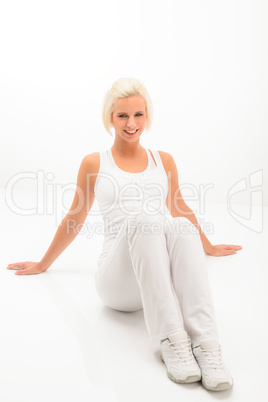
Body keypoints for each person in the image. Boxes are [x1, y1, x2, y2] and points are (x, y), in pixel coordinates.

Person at [7, 77, 242, 392]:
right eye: (122, 116)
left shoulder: (164, 160)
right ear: (110, 118)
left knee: (180, 225)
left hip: (155, 281)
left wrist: (208, 246)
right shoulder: (95, 162)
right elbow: (75, 216)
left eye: (138, 115)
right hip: (117, 283)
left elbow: (180, 207)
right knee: (143, 219)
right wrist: (42, 263)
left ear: (147, 116)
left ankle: (207, 346)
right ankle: (171, 340)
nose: (131, 123)